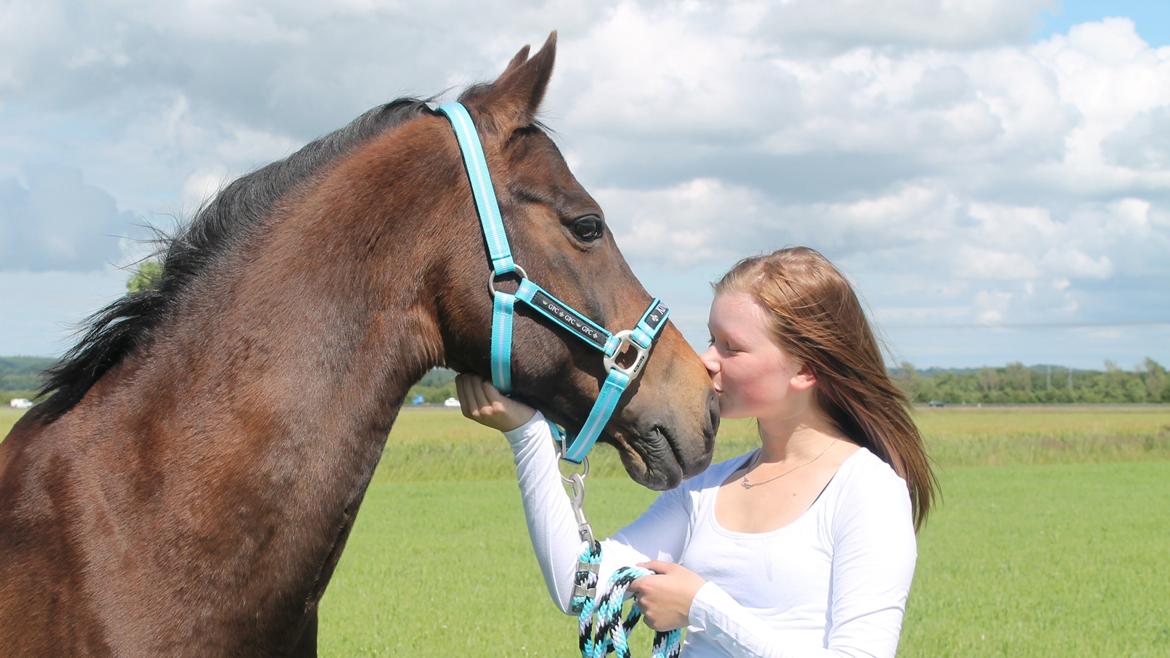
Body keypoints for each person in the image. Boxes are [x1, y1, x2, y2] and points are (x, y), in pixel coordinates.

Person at [456, 246, 936, 657]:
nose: (708, 360)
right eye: (712, 338)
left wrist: (702, 605)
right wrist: (528, 437)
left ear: (805, 370)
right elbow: (579, 588)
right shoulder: (704, 489)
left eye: (733, 347)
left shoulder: (867, 490)